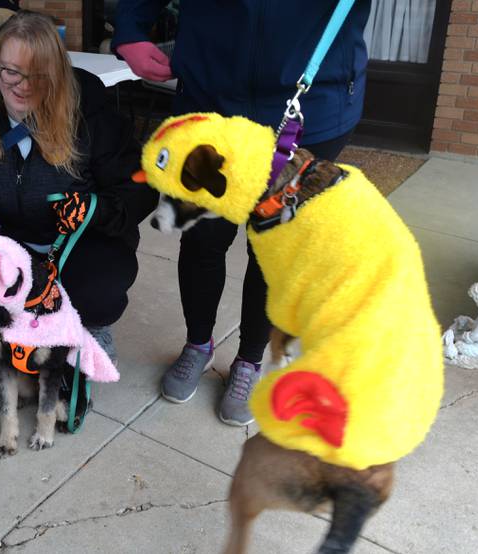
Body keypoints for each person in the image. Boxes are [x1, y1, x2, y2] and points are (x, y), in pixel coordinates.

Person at [112, 0, 371, 425]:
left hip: (310, 106)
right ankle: (198, 343)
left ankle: (249, 361)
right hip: (209, 101)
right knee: (202, 240)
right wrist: (131, 27)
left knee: (273, 251)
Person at [0, 10, 158, 360]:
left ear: (57, 71)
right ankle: (18, 312)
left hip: (81, 243)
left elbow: (137, 188)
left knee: (98, 296)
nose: (23, 86)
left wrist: (92, 210)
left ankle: (86, 324)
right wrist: (1, 260)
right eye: (11, 71)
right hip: (10, 244)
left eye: (37, 75)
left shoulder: (91, 110)